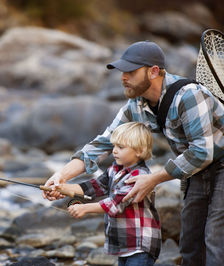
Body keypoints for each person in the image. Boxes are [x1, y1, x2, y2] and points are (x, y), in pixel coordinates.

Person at [43, 41, 224, 266]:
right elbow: (102, 144)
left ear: (154, 71)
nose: (123, 77)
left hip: (217, 162)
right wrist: (62, 176)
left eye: (130, 71)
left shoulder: (189, 95)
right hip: (196, 170)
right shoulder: (136, 106)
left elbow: (201, 151)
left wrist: (153, 179)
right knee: (191, 244)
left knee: (215, 239)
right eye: (122, 71)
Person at [60, 122, 160, 265]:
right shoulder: (115, 169)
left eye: (120, 147)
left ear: (139, 151)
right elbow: (95, 186)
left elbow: (116, 203)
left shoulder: (139, 175)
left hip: (140, 244)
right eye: (114, 146)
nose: (114, 151)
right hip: (123, 244)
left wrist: (85, 208)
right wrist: (64, 188)